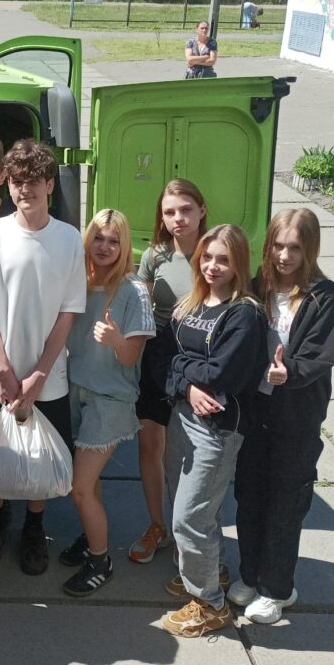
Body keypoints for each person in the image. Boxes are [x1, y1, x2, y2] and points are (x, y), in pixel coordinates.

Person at [0, 139, 86, 576]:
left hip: (46, 378)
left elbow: (68, 313)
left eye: (34, 181)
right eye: (17, 182)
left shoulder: (69, 239)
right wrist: (2, 368)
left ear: (50, 185)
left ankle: (34, 527)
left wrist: (38, 375)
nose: (24, 189)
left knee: (39, 459)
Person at [230, 208, 334, 625]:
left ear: (310, 249)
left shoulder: (324, 295)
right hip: (254, 411)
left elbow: (319, 356)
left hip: (296, 414)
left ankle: (277, 589)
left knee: (285, 502)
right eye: (278, 245)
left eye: (295, 248)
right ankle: (250, 575)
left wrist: (288, 372)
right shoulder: (257, 287)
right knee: (249, 496)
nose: (284, 255)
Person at [157, 224, 268, 638]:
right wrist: (187, 383)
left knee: (190, 518)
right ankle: (211, 571)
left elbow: (222, 375)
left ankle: (209, 604)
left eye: (223, 259)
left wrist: (180, 369)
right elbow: (160, 356)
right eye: (207, 257)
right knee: (193, 508)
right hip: (182, 417)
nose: (213, 266)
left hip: (217, 429)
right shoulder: (192, 303)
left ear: (239, 264)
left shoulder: (244, 314)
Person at [61, 209, 155, 596]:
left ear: (124, 246)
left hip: (110, 401)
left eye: (113, 241)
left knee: (80, 487)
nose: (104, 246)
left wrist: (117, 341)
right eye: (98, 238)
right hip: (74, 393)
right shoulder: (77, 283)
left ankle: (101, 561)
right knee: (90, 482)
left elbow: (132, 358)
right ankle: (90, 536)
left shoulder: (133, 291)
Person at [130, 179, 208, 565]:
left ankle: (185, 531)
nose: (178, 218)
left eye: (186, 210)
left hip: (197, 358)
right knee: (151, 445)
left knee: (188, 452)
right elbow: (142, 306)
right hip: (157, 357)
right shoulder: (154, 256)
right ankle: (157, 524)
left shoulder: (215, 252)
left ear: (201, 211)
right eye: (169, 212)